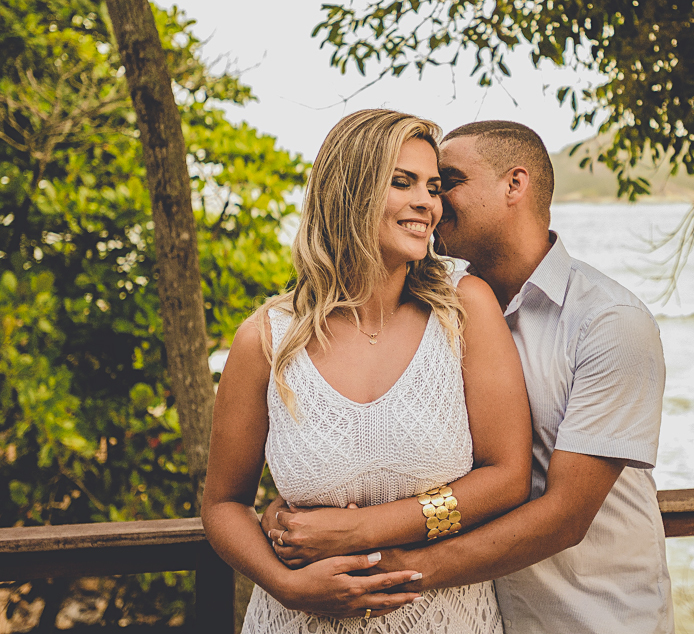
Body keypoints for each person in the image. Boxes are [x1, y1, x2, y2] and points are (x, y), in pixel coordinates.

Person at [264, 120, 673, 634]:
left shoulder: (609, 322)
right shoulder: (444, 310)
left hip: (588, 615)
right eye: (411, 183)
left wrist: (379, 561)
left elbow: (566, 514)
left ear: (514, 186)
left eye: (444, 182)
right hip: (478, 611)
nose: (432, 201)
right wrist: (296, 514)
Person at [201, 110, 533, 633]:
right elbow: (224, 504)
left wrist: (361, 529)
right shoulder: (267, 338)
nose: (427, 202)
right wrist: (286, 585)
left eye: (433, 186)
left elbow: (507, 478)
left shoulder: (465, 309)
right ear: (348, 193)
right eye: (401, 183)